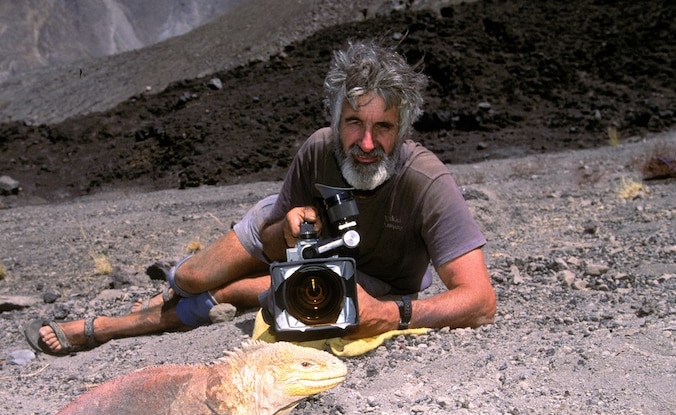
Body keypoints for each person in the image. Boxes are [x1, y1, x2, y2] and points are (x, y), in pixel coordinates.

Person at [25, 39, 496, 356]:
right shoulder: (317, 150)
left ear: (403, 129)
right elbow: (273, 241)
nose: (366, 143)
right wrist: (288, 225)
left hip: (369, 281)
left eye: (383, 127)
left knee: (232, 295)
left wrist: (391, 314)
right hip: (286, 237)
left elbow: (479, 301)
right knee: (192, 277)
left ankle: (108, 327)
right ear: (336, 122)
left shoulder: (427, 183)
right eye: (354, 123)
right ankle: (171, 293)